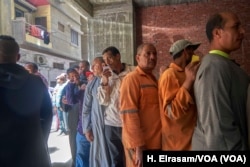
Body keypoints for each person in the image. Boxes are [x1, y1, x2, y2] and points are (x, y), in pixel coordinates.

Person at [192, 11, 249, 150]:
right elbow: (219, 131)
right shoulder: (213, 68)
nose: (243, 31)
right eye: (236, 27)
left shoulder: (224, 64)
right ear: (217, 33)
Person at [0, 35, 52, 167]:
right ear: (18, 57)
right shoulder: (36, 82)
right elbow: (47, 117)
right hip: (32, 155)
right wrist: (40, 143)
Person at [120, 43, 161, 167]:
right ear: (138, 58)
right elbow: (128, 114)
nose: (152, 57)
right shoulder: (131, 79)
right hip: (141, 146)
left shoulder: (154, 79)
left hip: (155, 142)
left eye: (154, 54)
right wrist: (138, 146)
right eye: (147, 54)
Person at [158, 39, 200, 150]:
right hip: (177, 145)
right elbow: (172, 111)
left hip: (190, 140)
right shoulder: (169, 75)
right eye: (192, 51)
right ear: (186, 51)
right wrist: (188, 82)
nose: (194, 55)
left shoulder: (186, 72)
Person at [97, 46, 134, 167]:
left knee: (133, 158)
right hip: (111, 124)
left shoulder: (133, 72)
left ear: (118, 56)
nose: (107, 62)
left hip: (129, 123)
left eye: (110, 58)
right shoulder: (106, 76)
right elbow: (103, 101)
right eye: (105, 60)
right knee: (116, 159)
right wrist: (105, 82)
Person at [82, 57, 111, 167]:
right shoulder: (92, 84)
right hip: (97, 127)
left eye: (95, 65)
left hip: (112, 125)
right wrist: (87, 128)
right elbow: (86, 108)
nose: (92, 68)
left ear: (103, 65)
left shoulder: (113, 79)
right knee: (98, 156)